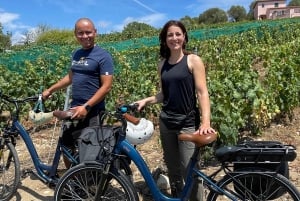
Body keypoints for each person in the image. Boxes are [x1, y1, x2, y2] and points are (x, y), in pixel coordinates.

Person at [135, 20, 216, 200]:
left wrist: (205, 122)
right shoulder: (162, 64)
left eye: (178, 34)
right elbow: (164, 94)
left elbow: (202, 93)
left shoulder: (193, 60)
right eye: (170, 35)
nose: (174, 38)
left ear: (184, 37)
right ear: (164, 39)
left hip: (187, 123)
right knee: (173, 169)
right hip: (167, 123)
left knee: (189, 169)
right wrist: (146, 100)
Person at [42, 17, 114, 168]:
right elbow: (70, 77)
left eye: (88, 32)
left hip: (93, 112)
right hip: (74, 109)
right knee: (66, 146)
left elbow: (106, 86)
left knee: (91, 151)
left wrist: (86, 107)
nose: (85, 36)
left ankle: (91, 187)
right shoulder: (76, 54)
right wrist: (50, 90)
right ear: (76, 34)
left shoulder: (103, 55)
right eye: (80, 33)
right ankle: (73, 182)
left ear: (95, 32)